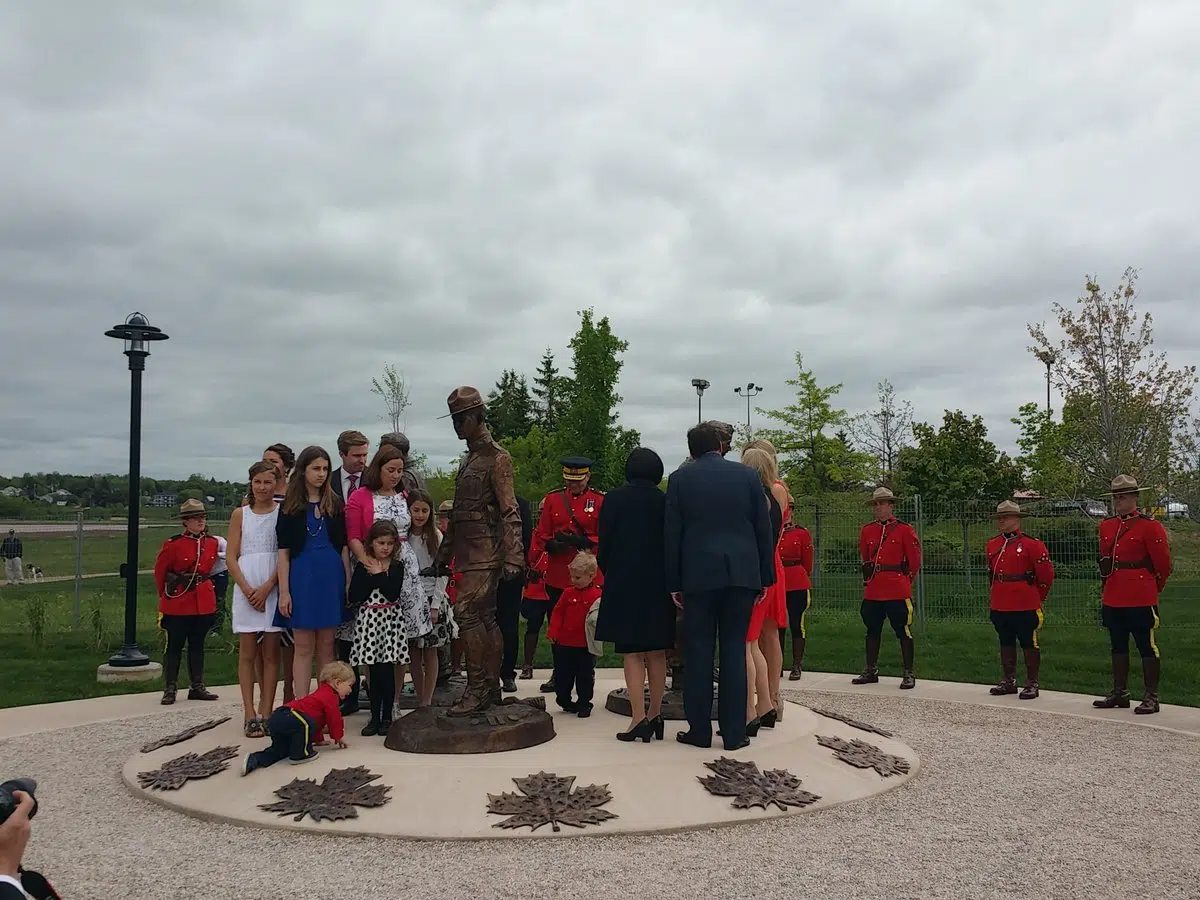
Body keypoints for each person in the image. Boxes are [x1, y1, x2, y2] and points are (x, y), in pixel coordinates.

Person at [665, 423, 776, 751]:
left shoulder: (680, 479)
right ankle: (734, 733)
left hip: (698, 577)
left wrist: (674, 582)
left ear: (691, 449)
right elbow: (762, 530)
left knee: (699, 652)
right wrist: (765, 577)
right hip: (741, 575)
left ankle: (699, 730)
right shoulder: (747, 477)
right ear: (719, 445)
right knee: (733, 651)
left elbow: (672, 535)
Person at [433, 386, 524, 715]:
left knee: (468, 615)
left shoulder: (497, 457)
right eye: (454, 420)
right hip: (468, 555)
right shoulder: (470, 458)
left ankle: (477, 689)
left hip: (486, 553)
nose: (458, 426)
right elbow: (458, 514)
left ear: (477, 417)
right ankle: (490, 689)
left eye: (462, 419)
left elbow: (509, 511)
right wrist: (442, 559)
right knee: (484, 618)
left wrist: (514, 555)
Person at [596, 447, 674, 743]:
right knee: (656, 650)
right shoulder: (665, 501)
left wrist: (611, 569)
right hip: (658, 581)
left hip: (625, 579)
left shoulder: (614, 498)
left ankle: (638, 717)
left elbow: (605, 543)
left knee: (632, 652)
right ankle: (655, 713)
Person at [344, 446, 431, 702]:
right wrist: (369, 563)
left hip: (403, 567)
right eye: (390, 470)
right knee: (375, 640)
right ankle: (375, 702)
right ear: (377, 469)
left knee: (400, 639)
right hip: (374, 565)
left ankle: (394, 699)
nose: (395, 475)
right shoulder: (360, 497)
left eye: (399, 471)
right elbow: (353, 537)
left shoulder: (404, 495)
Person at [1093, 474, 1172, 715]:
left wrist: (1152, 588)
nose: (1119, 500)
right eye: (1116, 496)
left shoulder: (1150, 526)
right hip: (1114, 593)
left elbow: (1163, 565)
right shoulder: (1107, 526)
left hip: (1140, 594)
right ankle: (1120, 692)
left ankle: (1151, 696)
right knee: (1117, 645)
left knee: (1146, 646)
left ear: (1135, 497)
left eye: (1124, 495)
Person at [275, 446, 351, 699]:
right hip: (301, 576)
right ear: (303, 470)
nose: (321, 474)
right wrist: (284, 592)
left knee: (328, 645)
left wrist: (348, 582)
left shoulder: (335, 504)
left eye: (325, 469)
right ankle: (301, 704)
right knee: (303, 645)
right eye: (316, 468)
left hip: (330, 577)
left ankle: (325, 704)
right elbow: (283, 552)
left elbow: (343, 548)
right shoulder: (289, 507)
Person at [526, 456, 605, 692]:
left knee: (587, 625)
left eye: (578, 480)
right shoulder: (553, 499)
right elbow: (541, 533)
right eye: (570, 480)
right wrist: (550, 544)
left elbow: (605, 536)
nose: (574, 485)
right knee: (558, 626)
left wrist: (584, 541)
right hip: (559, 574)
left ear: (588, 477)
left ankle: (585, 672)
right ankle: (559, 674)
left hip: (588, 573)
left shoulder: (599, 501)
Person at [227, 460, 283, 737]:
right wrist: (247, 588)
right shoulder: (241, 514)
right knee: (248, 652)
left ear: (276, 483)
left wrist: (268, 586)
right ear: (251, 483)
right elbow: (230, 556)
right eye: (258, 482)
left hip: (271, 584)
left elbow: (284, 553)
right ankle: (249, 711)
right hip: (246, 583)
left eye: (268, 482)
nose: (262, 487)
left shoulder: (281, 513)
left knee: (271, 652)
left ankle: (268, 709)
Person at [153, 500, 221, 705]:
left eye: (203, 517)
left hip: (203, 601)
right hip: (179, 602)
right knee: (174, 646)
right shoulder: (173, 544)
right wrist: (165, 596)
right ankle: (170, 687)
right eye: (195, 517)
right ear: (185, 521)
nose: (201, 521)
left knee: (197, 645)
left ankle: (197, 686)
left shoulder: (212, 543)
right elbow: (160, 573)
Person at [986, 500, 1054, 699]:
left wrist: (1036, 597)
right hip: (1000, 601)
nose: (1001, 521)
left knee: (1028, 642)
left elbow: (1046, 575)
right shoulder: (993, 544)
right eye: (999, 517)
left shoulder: (1032, 545)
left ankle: (1032, 683)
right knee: (1005, 640)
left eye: (1005, 517)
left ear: (1017, 519)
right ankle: (1009, 680)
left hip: (1025, 602)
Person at [855, 486, 921, 690]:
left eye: (883, 503)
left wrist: (903, 582)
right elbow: (866, 558)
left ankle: (908, 672)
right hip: (874, 588)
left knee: (902, 630)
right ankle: (871, 669)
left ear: (891, 506)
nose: (879, 508)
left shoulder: (904, 529)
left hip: (896, 588)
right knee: (872, 630)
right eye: (876, 504)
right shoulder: (867, 530)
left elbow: (914, 562)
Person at [347, 520, 409, 734]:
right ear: (371, 543)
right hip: (370, 621)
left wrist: (380, 575)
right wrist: (371, 575)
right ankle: (373, 717)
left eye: (390, 543)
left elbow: (392, 592)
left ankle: (386, 717)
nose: (385, 547)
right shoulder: (363, 566)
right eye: (381, 543)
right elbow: (354, 594)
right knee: (372, 671)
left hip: (389, 622)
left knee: (387, 671)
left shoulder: (396, 566)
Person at [741, 447, 788, 725]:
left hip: (754, 574)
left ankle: (753, 708)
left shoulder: (756, 500)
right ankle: (768, 702)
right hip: (769, 572)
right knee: (756, 641)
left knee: (748, 644)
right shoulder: (772, 497)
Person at [241, 661, 353, 775]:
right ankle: (301, 755)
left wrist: (318, 740)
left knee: (281, 750)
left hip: (278, 718)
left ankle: (254, 759)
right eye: (349, 685)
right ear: (338, 682)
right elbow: (334, 718)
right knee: (305, 724)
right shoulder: (330, 696)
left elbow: (317, 720)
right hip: (289, 715)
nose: (351, 690)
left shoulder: (322, 693)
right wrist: (338, 736)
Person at [408, 489, 458, 705]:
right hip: (410, 600)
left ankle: (427, 701)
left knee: (431, 651)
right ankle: (419, 697)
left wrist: (436, 604)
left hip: (431, 599)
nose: (420, 515)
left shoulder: (436, 536)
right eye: (416, 510)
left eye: (424, 511)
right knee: (413, 653)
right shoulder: (404, 537)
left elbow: (442, 574)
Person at [261, 442, 297, 702]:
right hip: (260, 568)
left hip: (288, 568)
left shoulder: (295, 496)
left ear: (285, 465)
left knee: (290, 638)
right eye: (265, 461)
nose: (269, 466)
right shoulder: (256, 495)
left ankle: (289, 691)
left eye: (274, 462)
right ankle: (264, 695)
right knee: (263, 639)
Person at [547, 552, 602, 717]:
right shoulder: (567, 593)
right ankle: (563, 699)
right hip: (564, 643)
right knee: (563, 674)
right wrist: (553, 631)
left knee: (584, 676)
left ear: (591, 576)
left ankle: (584, 703)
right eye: (572, 577)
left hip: (585, 645)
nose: (573, 581)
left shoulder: (597, 596)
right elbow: (558, 612)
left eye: (577, 577)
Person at [496, 494, 532, 693]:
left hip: (511, 573)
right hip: (485, 571)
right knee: (485, 624)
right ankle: (487, 673)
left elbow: (526, 538)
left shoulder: (521, 504)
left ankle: (508, 673)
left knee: (509, 625)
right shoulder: (482, 502)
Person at [777, 505, 813, 681]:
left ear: (792, 512)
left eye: (788, 509)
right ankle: (778, 664)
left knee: (796, 624)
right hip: (778, 581)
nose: (786, 513)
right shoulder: (774, 532)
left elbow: (808, 562)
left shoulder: (801, 533)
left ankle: (797, 665)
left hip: (797, 581)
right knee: (778, 625)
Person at [331, 430, 370, 502]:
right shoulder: (328, 481)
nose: (362, 460)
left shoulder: (375, 479)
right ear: (342, 454)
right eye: (357, 456)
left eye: (365, 455)